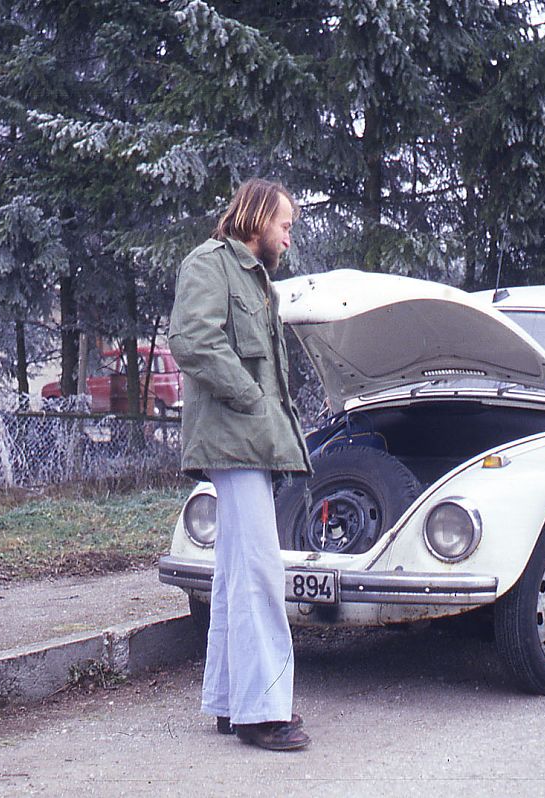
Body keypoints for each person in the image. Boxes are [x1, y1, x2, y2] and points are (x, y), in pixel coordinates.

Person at [168, 178, 313, 751]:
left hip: (248, 441)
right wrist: (251, 400)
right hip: (236, 438)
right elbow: (193, 340)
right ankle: (264, 712)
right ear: (255, 218)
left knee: (235, 574)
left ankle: (232, 703)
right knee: (258, 573)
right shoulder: (209, 264)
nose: (288, 235)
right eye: (284, 224)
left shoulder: (256, 280)